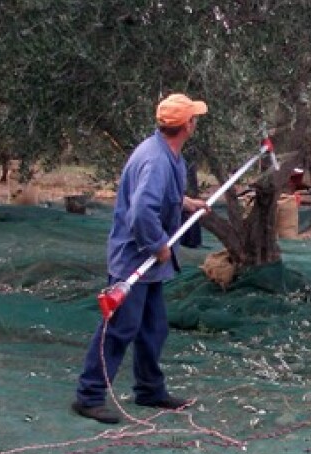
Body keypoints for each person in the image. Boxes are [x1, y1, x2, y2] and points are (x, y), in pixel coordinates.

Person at [71, 93, 211, 424]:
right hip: (134, 262)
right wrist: (159, 245)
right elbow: (141, 212)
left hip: (149, 267)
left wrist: (185, 202)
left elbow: (160, 197)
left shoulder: (169, 154)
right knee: (120, 329)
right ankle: (88, 396)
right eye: (194, 118)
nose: (196, 123)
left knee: (153, 328)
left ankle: (149, 389)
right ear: (186, 125)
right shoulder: (156, 160)